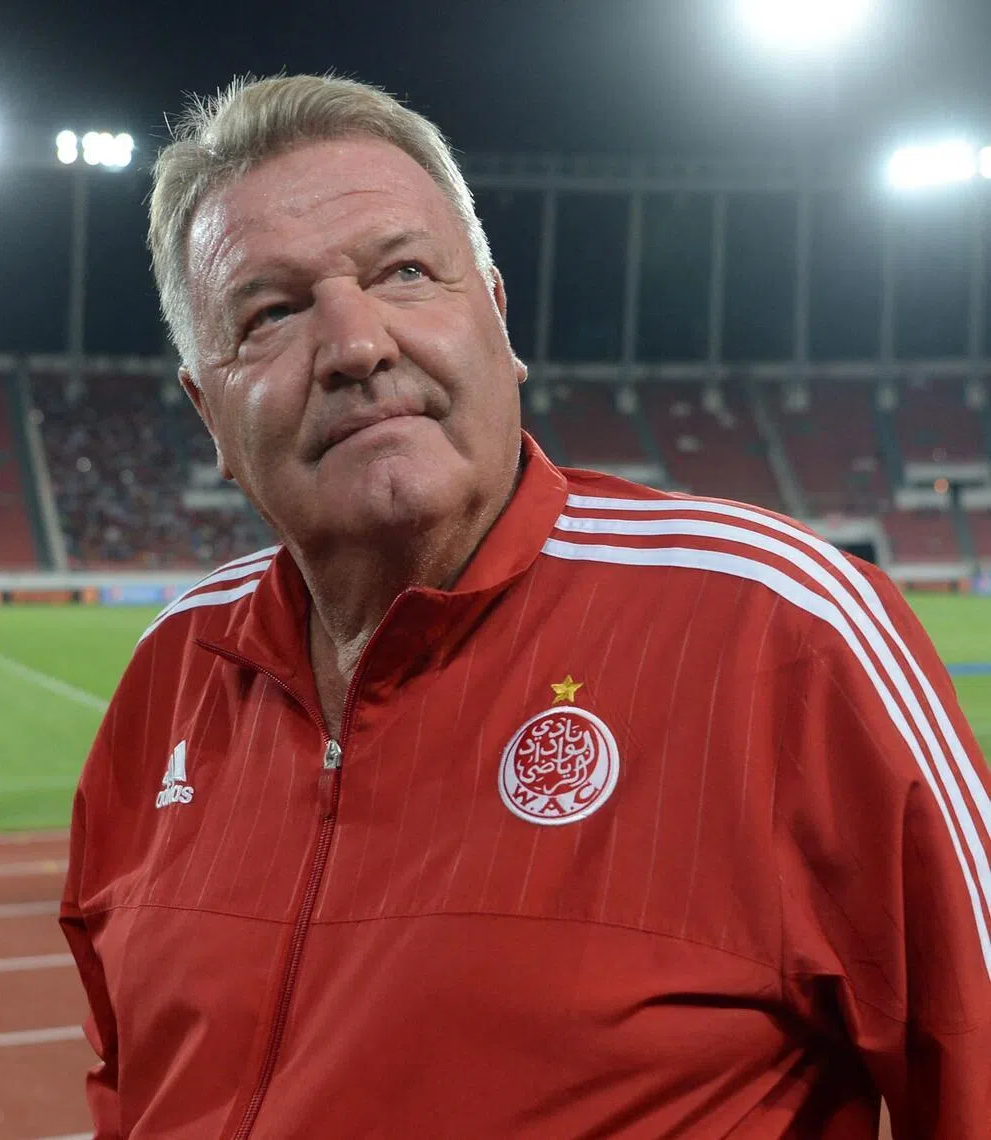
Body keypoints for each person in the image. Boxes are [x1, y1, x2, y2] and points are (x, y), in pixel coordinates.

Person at [60, 74, 991, 1139]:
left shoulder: (783, 632)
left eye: (405, 272)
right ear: (208, 412)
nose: (357, 346)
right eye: (270, 313)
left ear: (498, 321)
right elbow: (132, 1086)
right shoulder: (172, 673)